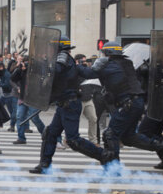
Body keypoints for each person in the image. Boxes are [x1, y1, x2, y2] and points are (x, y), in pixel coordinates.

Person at [29, 36, 112, 174]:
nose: (49, 49)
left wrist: (42, 65)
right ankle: (44, 164)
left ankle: (105, 156)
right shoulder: (70, 62)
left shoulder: (62, 57)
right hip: (64, 104)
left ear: (57, 47)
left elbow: (58, 69)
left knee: (73, 140)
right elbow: (87, 73)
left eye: (51, 46)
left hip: (70, 104)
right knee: (50, 133)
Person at [93, 41, 163, 166]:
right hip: (135, 103)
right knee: (129, 137)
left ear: (109, 53)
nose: (102, 57)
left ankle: (113, 166)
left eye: (104, 54)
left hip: (128, 104)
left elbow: (92, 74)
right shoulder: (126, 63)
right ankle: (161, 146)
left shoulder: (113, 66)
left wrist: (95, 66)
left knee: (111, 134)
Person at [11, 55, 45, 145]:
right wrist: (19, 69)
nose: (26, 64)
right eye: (25, 62)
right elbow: (12, 78)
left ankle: (46, 135)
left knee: (35, 118)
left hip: (33, 99)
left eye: (28, 62)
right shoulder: (22, 71)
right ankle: (21, 138)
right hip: (23, 98)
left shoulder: (37, 70)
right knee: (20, 117)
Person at [0, 61, 18, 132]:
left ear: (2, 67)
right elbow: (3, 83)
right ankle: (1, 123)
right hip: (5, 95)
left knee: (12, 112)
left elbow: (7, 85)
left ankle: (12, 126)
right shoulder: (2, 73)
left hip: (9, 95)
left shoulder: (6, 74)